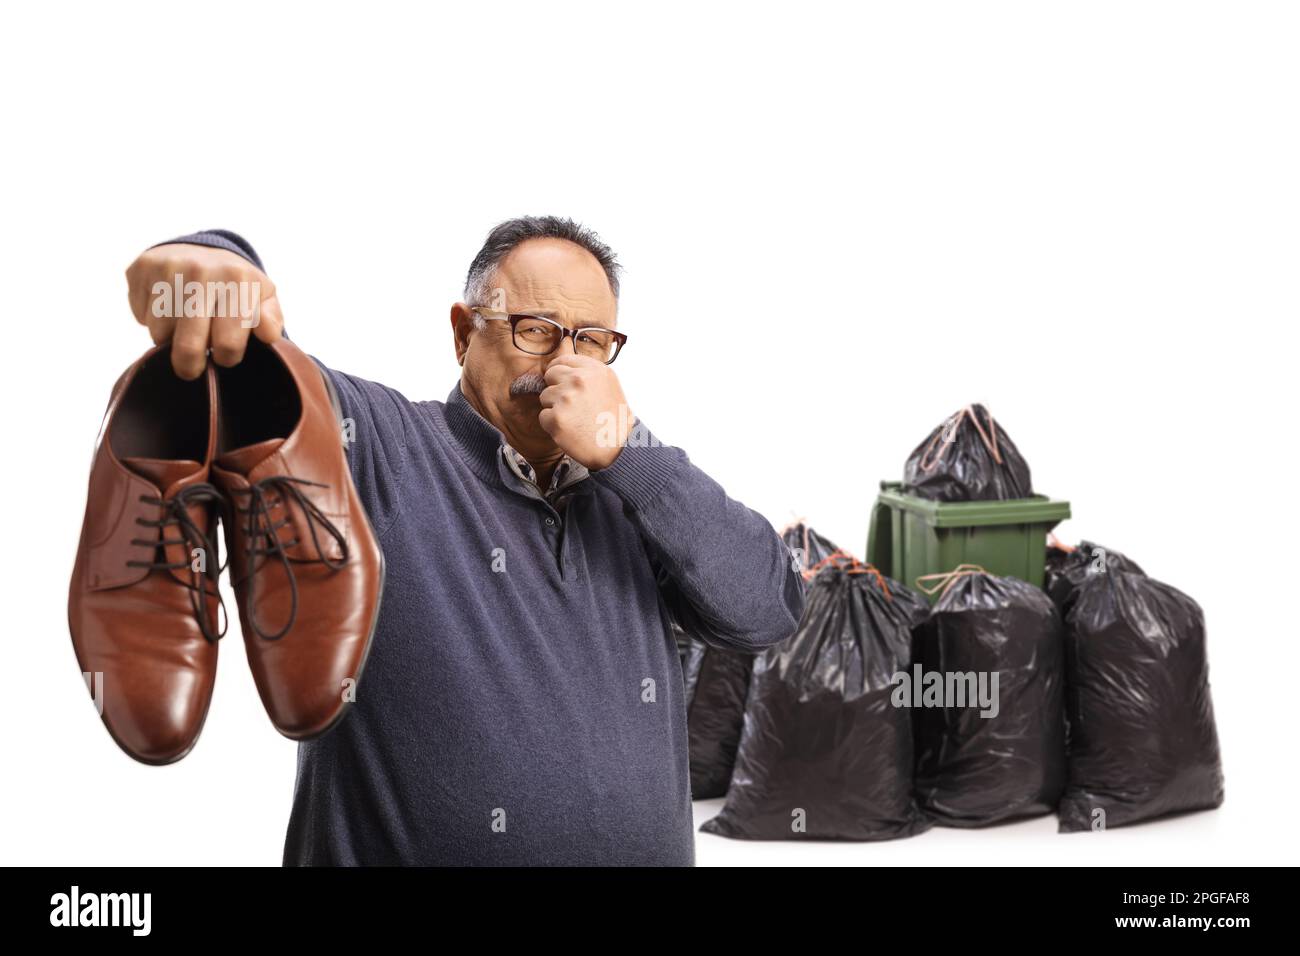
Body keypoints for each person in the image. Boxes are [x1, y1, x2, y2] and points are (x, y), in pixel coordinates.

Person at [124, 217, 805, 865]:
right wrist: (215, 256)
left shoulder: (635, 492)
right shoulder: (380, 444)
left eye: (591, 340)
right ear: (462, 333)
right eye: (535, 330)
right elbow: (261, 370)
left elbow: (769, 607)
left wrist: (628, 453)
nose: (562, 365)